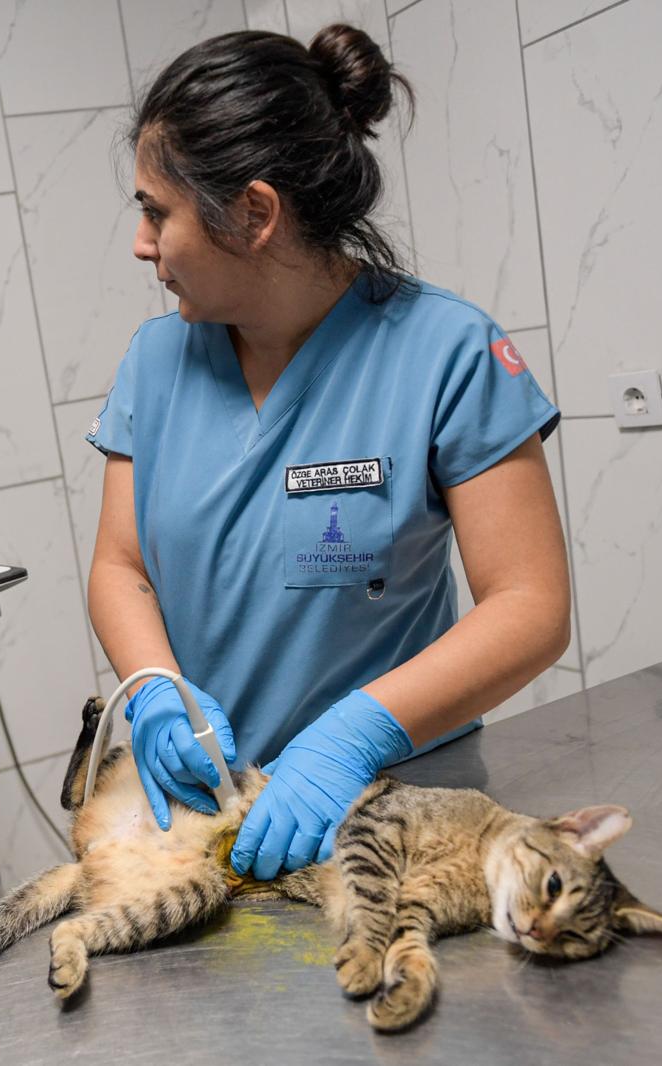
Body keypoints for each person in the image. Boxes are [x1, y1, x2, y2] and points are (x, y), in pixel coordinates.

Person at [86, 27, 571, 884]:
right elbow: (120, 567)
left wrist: (356, 736)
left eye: (158, 212)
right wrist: (157, 689)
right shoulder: (154, 364)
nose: (141, 242)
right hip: (216, 817)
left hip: (398, 817)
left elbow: (529, 605)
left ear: (255, 214)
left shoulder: (446, 352)